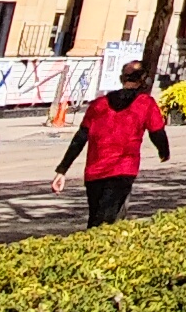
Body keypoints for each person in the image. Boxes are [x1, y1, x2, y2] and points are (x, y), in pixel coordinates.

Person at [53, 64, 173, 226]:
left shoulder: (98, 105)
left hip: (95, 172)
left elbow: (80, 138)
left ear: (121, 78)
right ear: (143, 81)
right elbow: (157, 133)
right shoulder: (146, 104)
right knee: (109, 224)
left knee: (96, 219)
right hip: (123, 170)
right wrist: (164, 152)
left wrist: (62, 170)